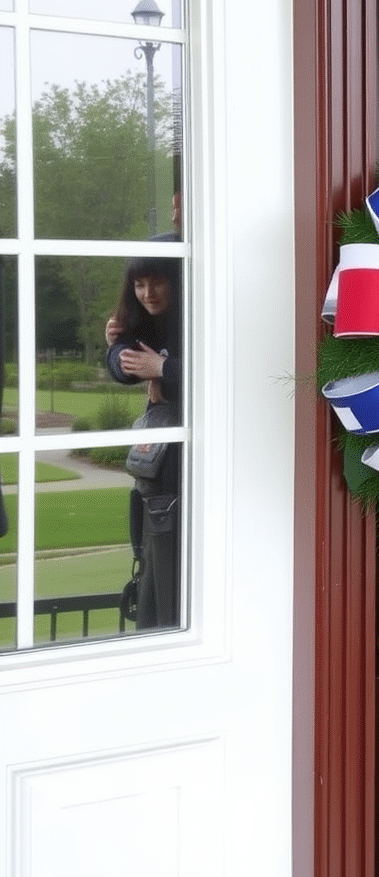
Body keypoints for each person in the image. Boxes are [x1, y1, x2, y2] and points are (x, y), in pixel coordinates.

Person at [107, 257, 182, 629]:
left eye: (156, 282)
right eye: (139, 285)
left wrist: (163, 370)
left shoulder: (192, 317)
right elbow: (122, 360)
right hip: (159, 482)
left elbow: (225, 370)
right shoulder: (150, 324)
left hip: (186, 473)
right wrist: (120, 352)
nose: (147, 293)